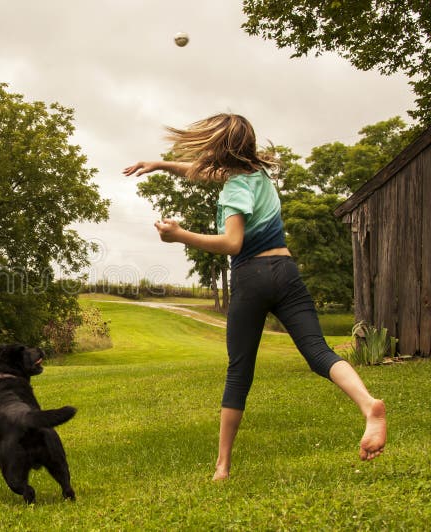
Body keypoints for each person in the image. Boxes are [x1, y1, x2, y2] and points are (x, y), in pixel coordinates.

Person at [123, 113, 386, 481]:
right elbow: (206, 173)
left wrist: (179, 235)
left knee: (239, 370)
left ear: (218, 150)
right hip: (286, 271)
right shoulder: (256, 174)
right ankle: (368, 405)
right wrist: (162, 165)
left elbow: (233, 243)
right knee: (317, 350)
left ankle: (222, 466)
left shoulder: (234, 190)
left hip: (252, 275)